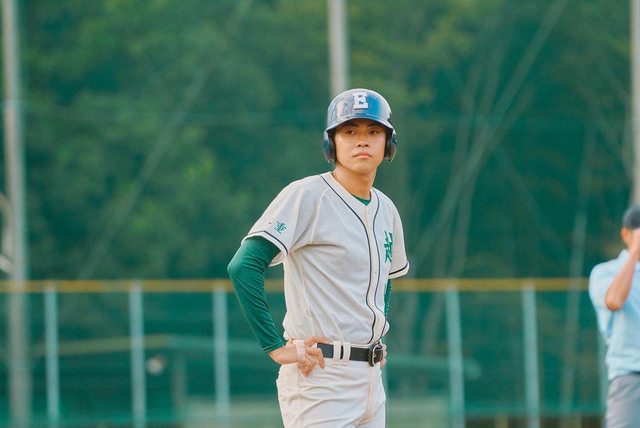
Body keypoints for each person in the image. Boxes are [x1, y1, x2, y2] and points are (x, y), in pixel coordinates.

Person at [227, 88, 409, 427]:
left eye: (373, 131)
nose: (362, 140)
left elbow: (385, 280)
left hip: (371, 377)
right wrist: (275, 347)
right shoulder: (307, 195)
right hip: (320, 376)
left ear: (389, 143)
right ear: (331, 143)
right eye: (349, 131)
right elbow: (243, 265)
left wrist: (377, 335)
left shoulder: (387, 209)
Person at [589, 203, 640, 428]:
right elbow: (615, 301)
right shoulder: (605, 272)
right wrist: (635, 252)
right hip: (630, 377)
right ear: (626, 234)